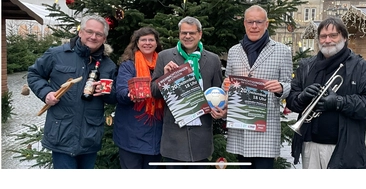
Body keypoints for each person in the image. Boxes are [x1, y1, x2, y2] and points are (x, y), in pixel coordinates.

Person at [286, 17, 366, 169]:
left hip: (344, 148)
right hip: (310, 145)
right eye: (323, 36)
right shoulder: (306, 66)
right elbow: (292, 101)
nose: (328, 40)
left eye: (333, 35)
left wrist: (339, 102)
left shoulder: (360, 67)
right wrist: (302, 97)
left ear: (344, 37)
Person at [27, 14, 118, 169]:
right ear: (80, 32)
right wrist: (46, 93)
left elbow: (114, 97)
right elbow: (34, 74)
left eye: (99, 34)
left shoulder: (108, 65)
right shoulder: (57, 54)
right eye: (89, 31)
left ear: (104, 38)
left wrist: (107, 92)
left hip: (90, 135)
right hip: (61, 132)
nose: (93, 37)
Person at [150, 16, 225, 169]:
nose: (188, 36)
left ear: (200, 34)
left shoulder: (213, 59)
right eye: (184, 33)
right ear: (179, 34)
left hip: (201, 138)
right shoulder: (165, 57)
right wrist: (166, 78)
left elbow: (218, 92)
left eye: (192, 33)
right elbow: (154, 91)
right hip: (174, 138)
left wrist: (220, 111)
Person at [223, 5, 293, 169]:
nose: (254, 26)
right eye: (250, 22)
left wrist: (281, 87)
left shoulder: (282, 51)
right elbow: (227, 81)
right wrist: (226, 89)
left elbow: (290, 85)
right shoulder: (234, 51)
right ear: (245, 24)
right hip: (241, 125)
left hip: (265, 129)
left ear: (266, 24)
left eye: (259, 22)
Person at [113, 27, 165, 169]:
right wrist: (129, 95)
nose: (147, 43)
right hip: (131, 132)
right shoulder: (128, 65)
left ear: (156, 43)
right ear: (137, 43)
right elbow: (121, 91)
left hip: (157, 131)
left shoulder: (163, 64)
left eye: (151, 40)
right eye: (143, 40)